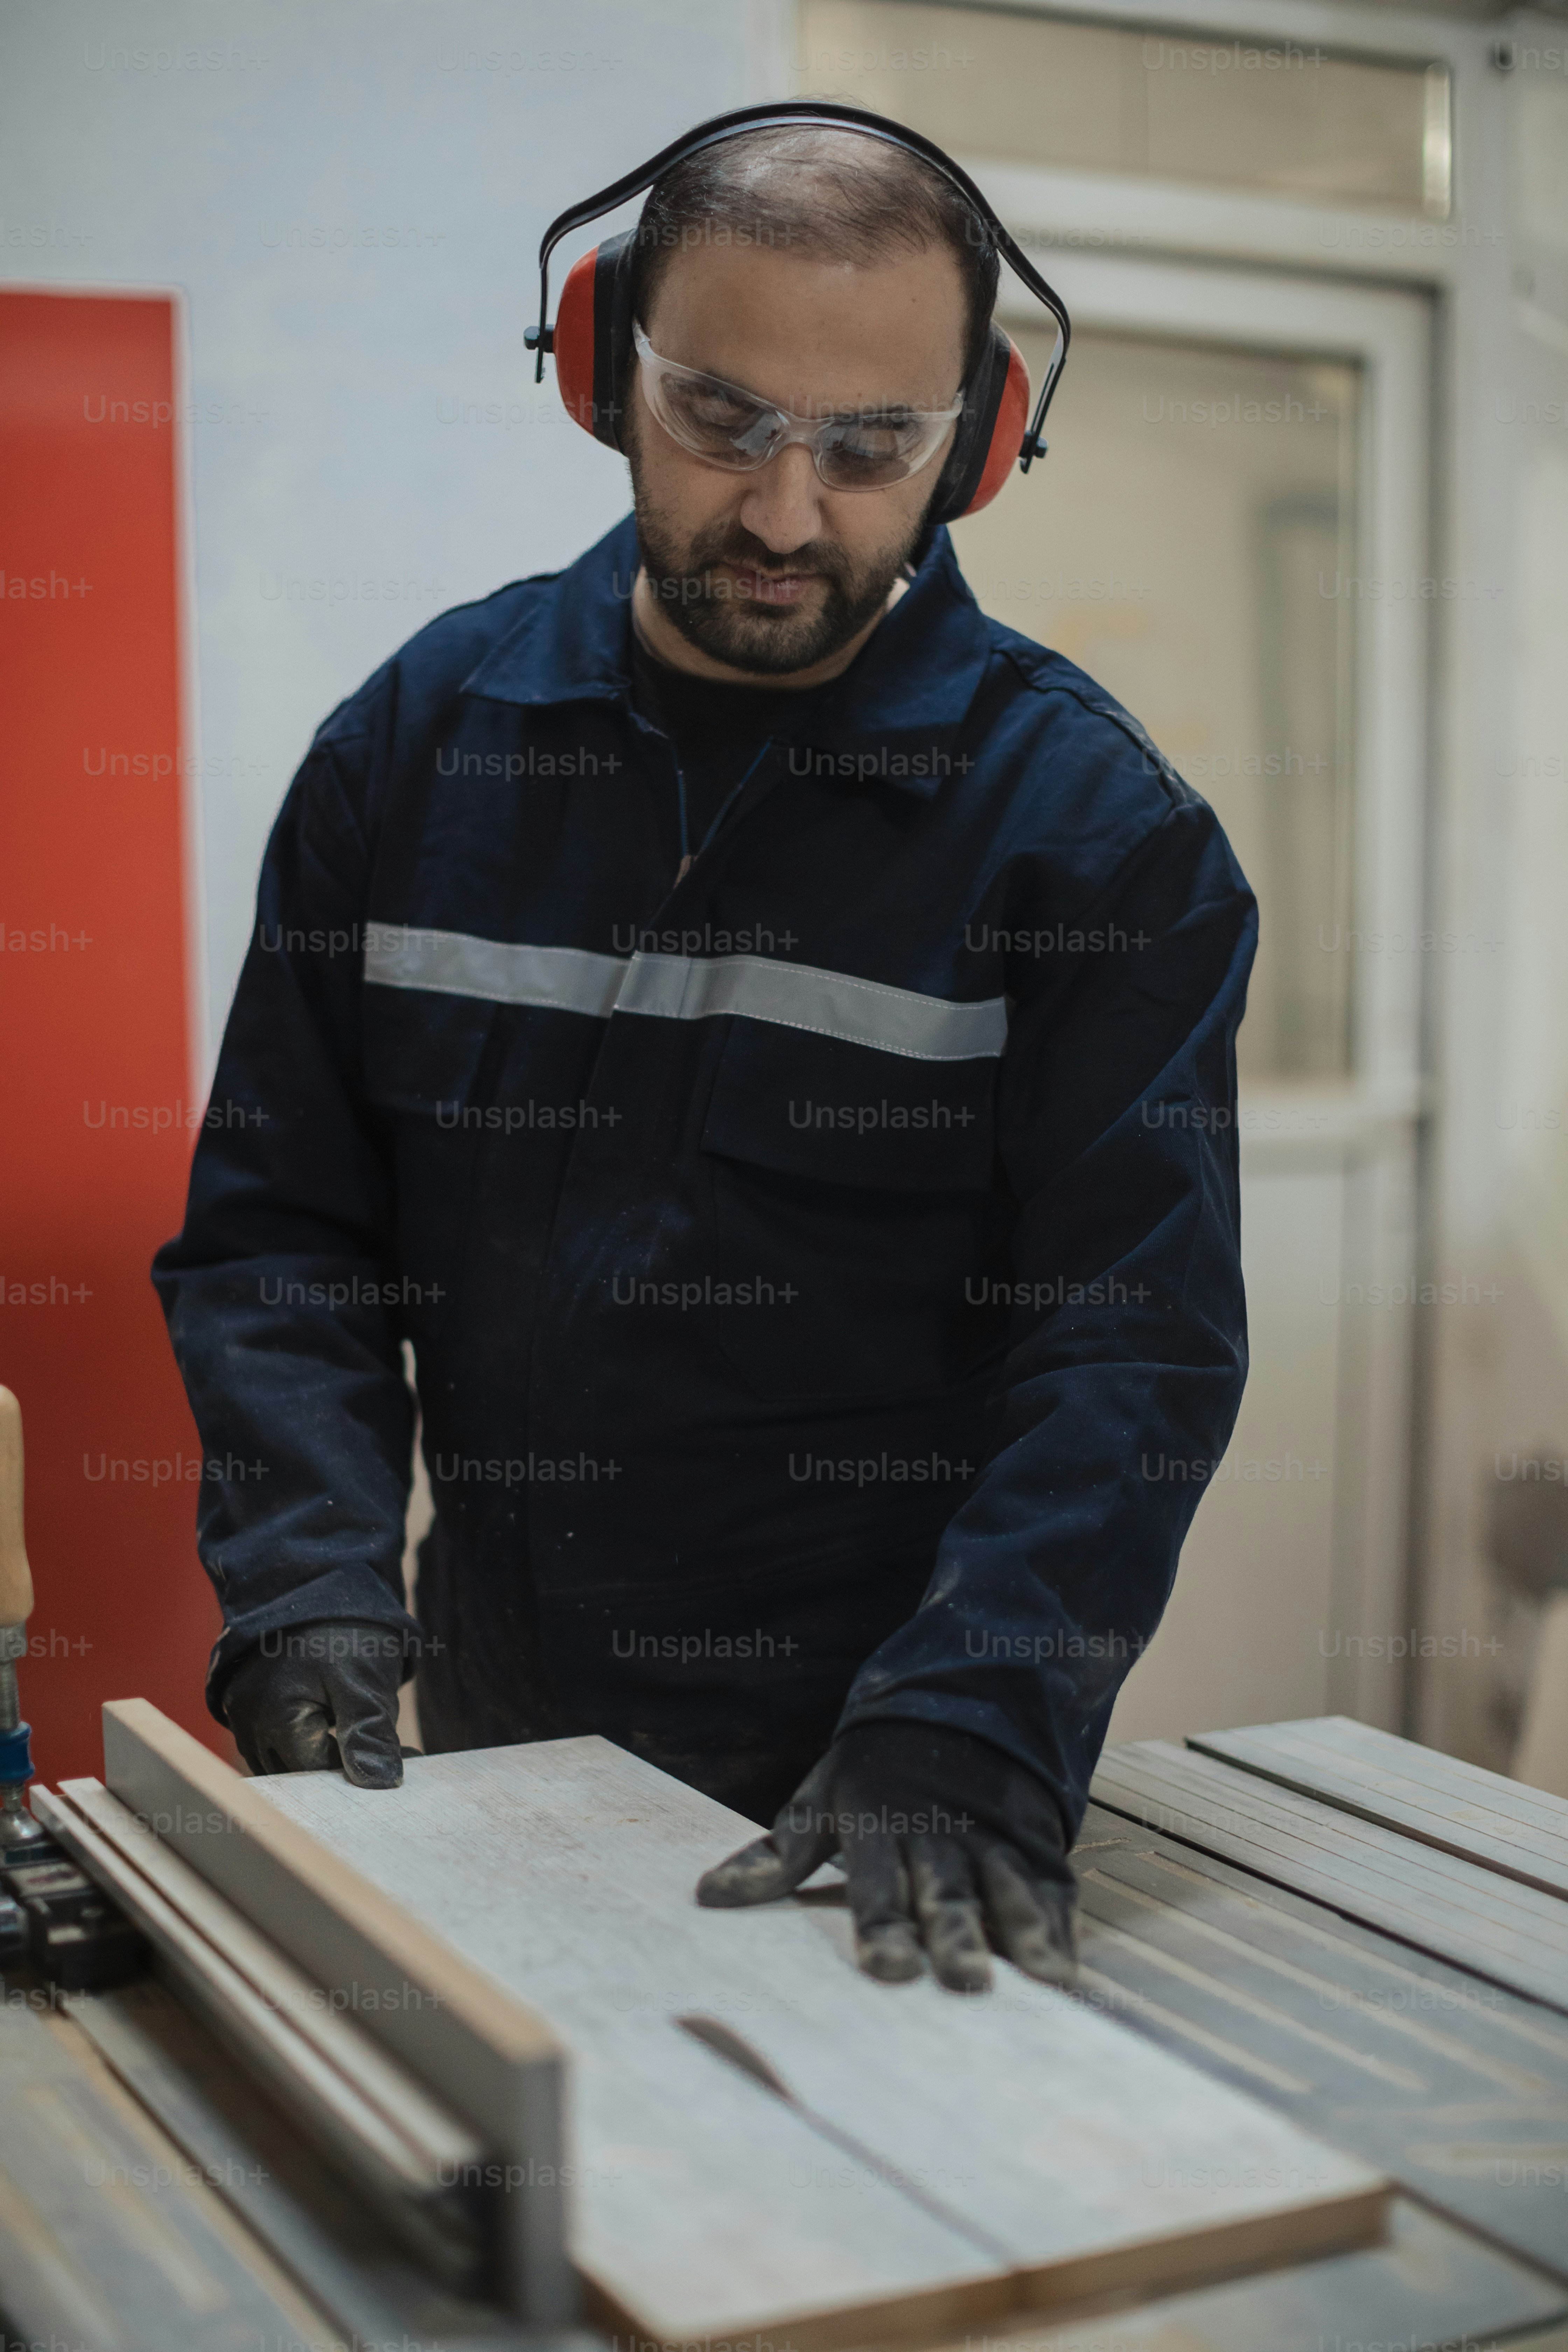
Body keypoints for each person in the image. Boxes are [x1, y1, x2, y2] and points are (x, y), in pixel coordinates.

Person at [154, 111, 1256, 1995]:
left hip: (877, 1791)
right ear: (599, 367)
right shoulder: (415, 753)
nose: (783, 511)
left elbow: (1126, 1339)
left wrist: (975, 1721)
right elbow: (286, 1242)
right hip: (493, 1750)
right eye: (723, 416)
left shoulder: (1092, 841)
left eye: (870, 443)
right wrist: (307, 1591)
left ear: (980, 441)